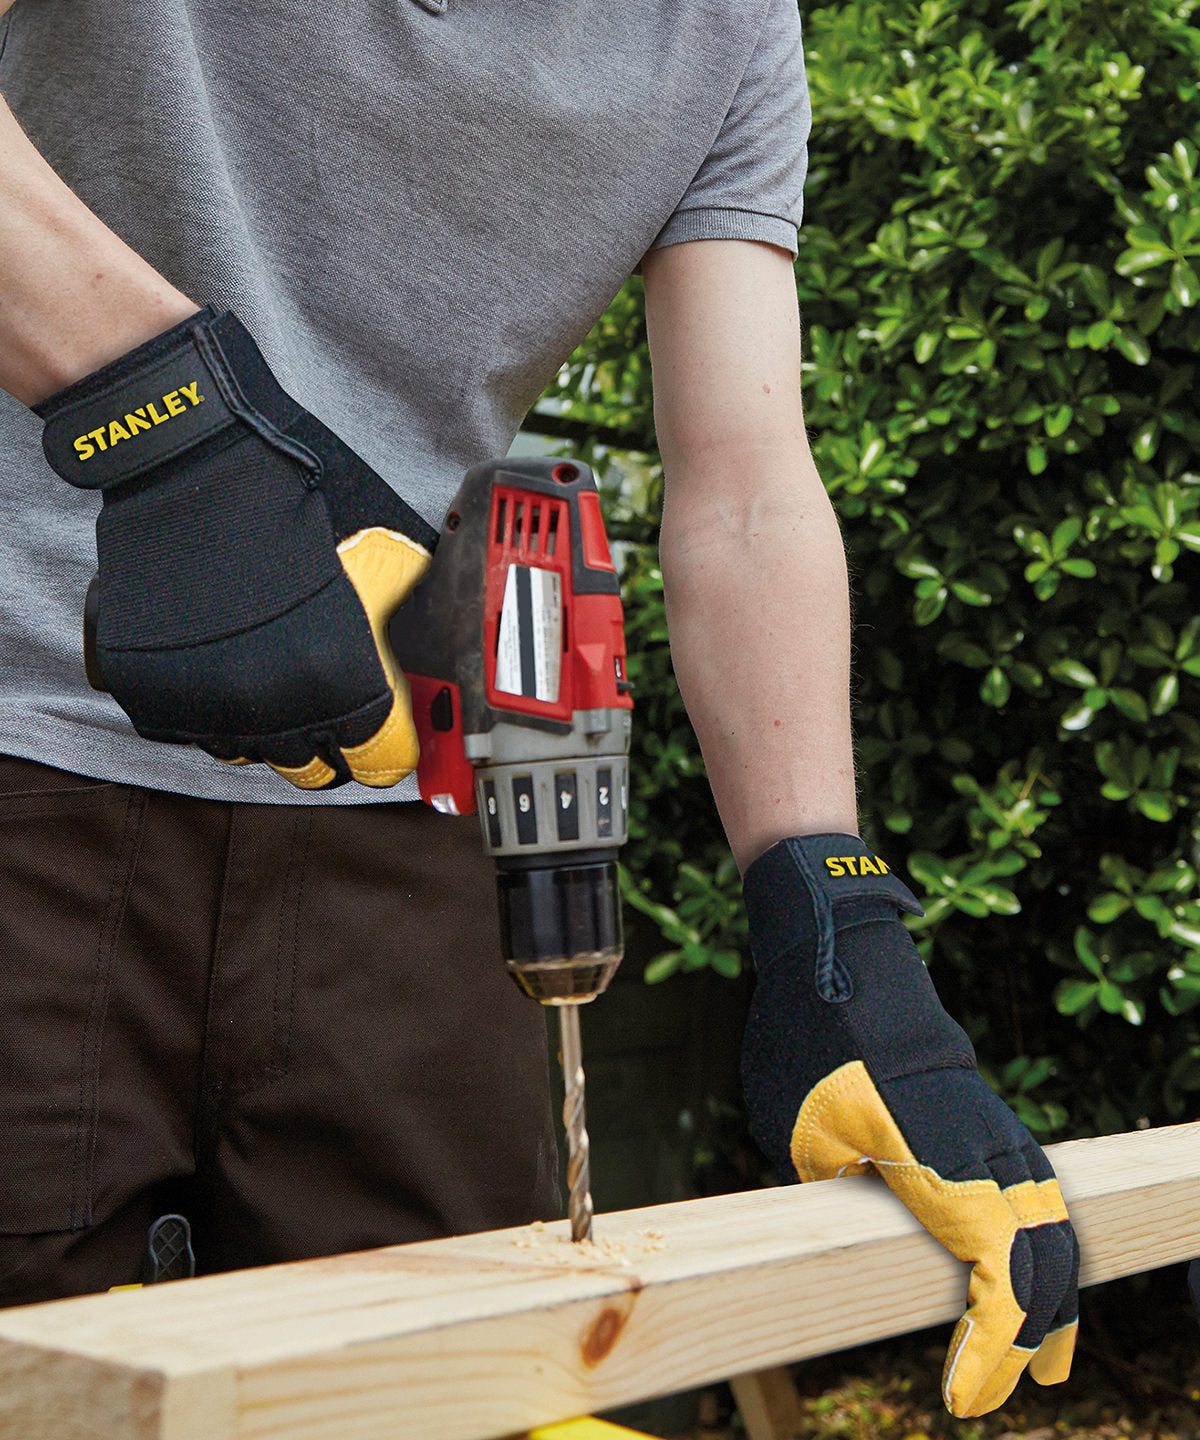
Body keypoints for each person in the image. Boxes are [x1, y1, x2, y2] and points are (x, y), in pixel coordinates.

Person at [0, 0, 1077, 1417]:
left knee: (462, 1374)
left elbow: (746, 487)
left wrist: (841, 929)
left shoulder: (729, 25)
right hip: (25, 757)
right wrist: (173, 430)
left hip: (401, 790)